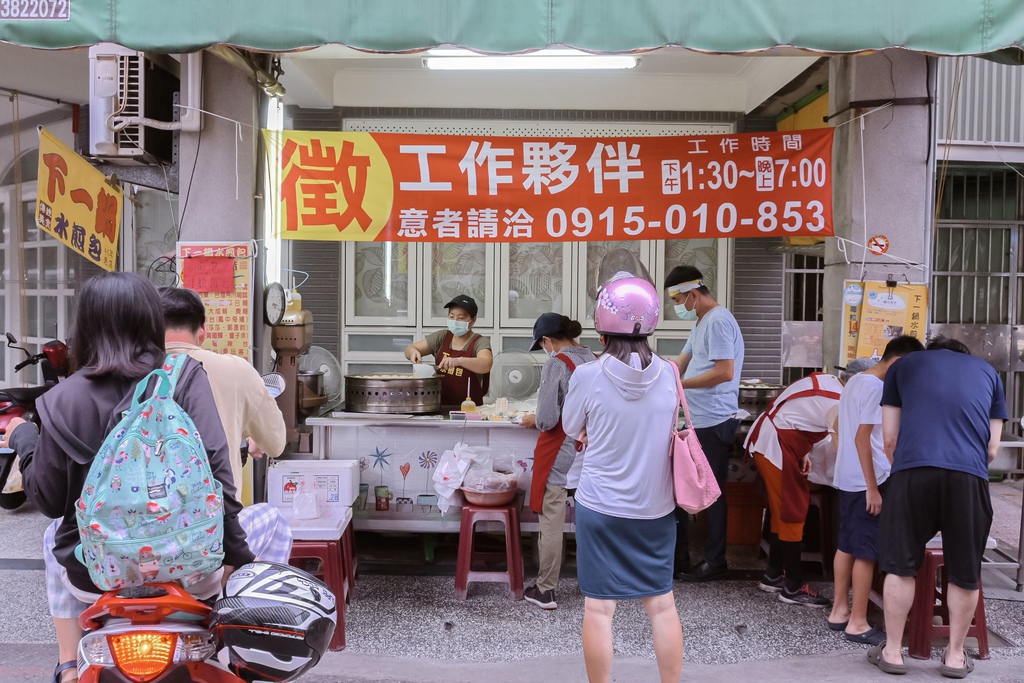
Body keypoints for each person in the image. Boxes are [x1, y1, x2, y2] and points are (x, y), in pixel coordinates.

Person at [0, 273, 292, 683]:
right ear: (152, 323)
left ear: (84, 328)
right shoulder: (184, 377)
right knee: (274, 522)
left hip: (96, 580)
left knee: (55, 536)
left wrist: (27, 440)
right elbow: (218, 477)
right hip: (192, 573)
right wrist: (236, 562)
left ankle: (68, 665)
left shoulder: (61, 400)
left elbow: (50, 500)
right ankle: (240, 649)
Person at [562, 273, 682, 683]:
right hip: (656, 508)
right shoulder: (669, 374)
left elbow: (569, 425)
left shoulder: (587, 376)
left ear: (601, 326)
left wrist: (590, 426)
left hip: (600, 506)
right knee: (662, 606)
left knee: (599, 608)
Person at [869, 336, 1006, 678]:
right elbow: (992, 450)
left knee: (901, 566)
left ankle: (893, 653)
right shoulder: (988, 372)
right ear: (965, 356)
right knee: (965, 569)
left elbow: (889, 439)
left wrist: (907, 469)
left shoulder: (904, 366)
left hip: (913, 471)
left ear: (929, 353)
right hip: (968, 477)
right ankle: (955, 657)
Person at [828, 337, 923, 646]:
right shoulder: (876, 388)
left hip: (849, 476)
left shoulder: (856, 380)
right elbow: (862, 438)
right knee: (867, 553)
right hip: (869, 480)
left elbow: (843, 428)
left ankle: (839, 611)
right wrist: (872, 488)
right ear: (898, 362)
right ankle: (857, 622)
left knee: (847, 545)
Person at [160, 286, 287, 495]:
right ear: (202, 333)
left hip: (145, 517)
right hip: (215, 517)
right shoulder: (236, 370)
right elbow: (275, 444)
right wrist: (244, 431)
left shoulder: (132, 371)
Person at [665, 265, 745, 581]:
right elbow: (679, 363)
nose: (677, 306)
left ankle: (716, 560)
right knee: (693, 486)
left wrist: (683, 385)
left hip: (715, 419)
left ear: (694, 294)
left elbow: (725, 372)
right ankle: (688, 555)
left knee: (712, 492)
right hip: (700, 419)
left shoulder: (719, 321)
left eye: (679, 299)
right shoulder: (700, 321)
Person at [744, 368, 846, 607]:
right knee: (792, 510)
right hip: (776, 445)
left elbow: (798, 414)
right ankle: (793, 586)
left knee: (783, 510)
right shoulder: (839, 402)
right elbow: (844, 447)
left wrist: (804, 451)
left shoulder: (828, 381)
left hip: (777, 442)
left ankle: (773, 574)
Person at [519, 312, 596, 610]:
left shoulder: (557, 364)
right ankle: (594, 584)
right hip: (591, 449)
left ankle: (546, 590)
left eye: (542, 344)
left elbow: (548, 418)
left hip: (561, 452)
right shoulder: (594, 358)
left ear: (547, 340)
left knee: (552, 521)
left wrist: (532, 418)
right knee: (590, 519)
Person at [404, 294, 493, 409]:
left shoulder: (480, 342)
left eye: (461, 318)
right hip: (438, 406)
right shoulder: (442, 337)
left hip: (469, 410)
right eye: (451, 317)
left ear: (473, 320)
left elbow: (486, 364)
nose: (455, 321)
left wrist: (459, 361)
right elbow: (410, 349)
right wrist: (413, 352)